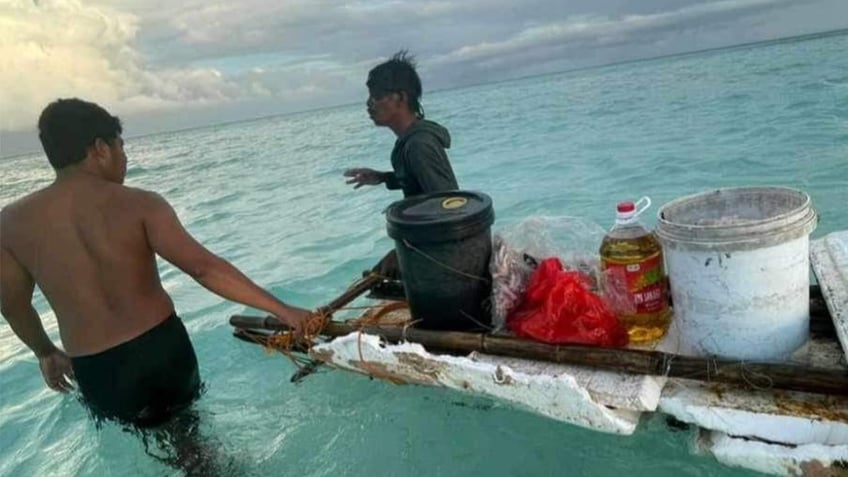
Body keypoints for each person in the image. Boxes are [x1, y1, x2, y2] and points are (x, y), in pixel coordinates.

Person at [0, 98, 312, 472]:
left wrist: (45, 351)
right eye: (121, 146)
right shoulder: (141, 204)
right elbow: (204, 268)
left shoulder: (11, 224)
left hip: (100, 370)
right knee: (190, 440)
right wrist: (282, 309)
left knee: (155, 448)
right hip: (164, 353)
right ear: (100, 148)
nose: (124, 158)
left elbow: (13, 304)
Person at [344, 50, 459, 277]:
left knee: (378, 278)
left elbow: (448, 207)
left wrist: (405, 250)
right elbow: (419, 181)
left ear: (401, 97)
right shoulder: (410, 142)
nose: (369, 104)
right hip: (431, 245)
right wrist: (384, 177)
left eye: (376, 96)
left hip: (446, 256)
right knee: (376, 277)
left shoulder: (419, 144)